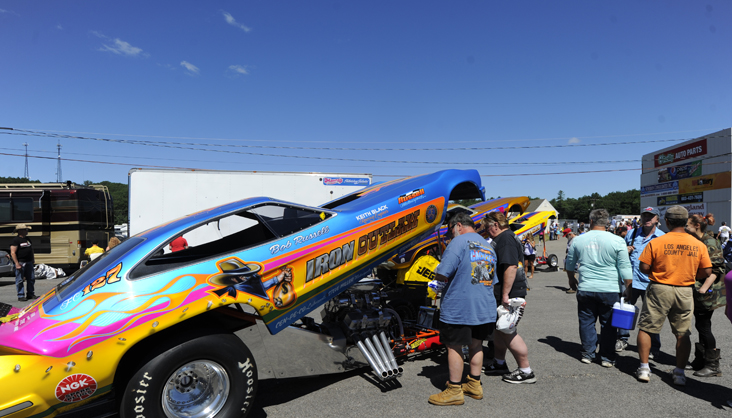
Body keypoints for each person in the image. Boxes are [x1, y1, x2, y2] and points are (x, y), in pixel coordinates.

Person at [635, 205, 712, 385]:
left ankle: (644, 368)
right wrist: (690, 274)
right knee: (682, 332)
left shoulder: (657, 241)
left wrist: (659, 271)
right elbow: (707, 271)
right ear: (685, 222)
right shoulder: (698, 244)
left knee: (646, 328)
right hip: (684, 289)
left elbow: (644, 267)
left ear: (667, 222)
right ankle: (679, 373)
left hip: (659, 288)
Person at [427, 213, 497, 405]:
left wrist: (435, 282)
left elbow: (443, 272)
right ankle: (474, 384)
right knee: (476, 345)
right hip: (484, 305)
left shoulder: (458, 242)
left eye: (450, 231)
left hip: (460, 306)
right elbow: (492, 279)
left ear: (458, 225)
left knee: (454, 346)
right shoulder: (487, 246)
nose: (450, 235)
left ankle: (454, 390)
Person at [566, 209, 632, 367]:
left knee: (586, 321)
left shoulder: (578, 240)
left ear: (591, 221)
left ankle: (588, 353)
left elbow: (569, 263)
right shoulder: (617, 240)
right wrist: (628, 287)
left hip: (586, 286)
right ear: (607, 222)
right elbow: (624, 266)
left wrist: (571, 279)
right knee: (608, 324)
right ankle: (607, 357)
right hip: (609, 288)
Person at [483, 211, 536, 384]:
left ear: (495, 225)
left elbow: (511, 266)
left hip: (510, 293)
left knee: (508, 330)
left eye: (487, 227)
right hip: (506, 291)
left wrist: (505, 294)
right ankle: (499, 363)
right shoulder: (506, 237)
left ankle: (526, 370)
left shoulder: (505, 238)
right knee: (500, 329)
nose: (486, 230)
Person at [615, 207, 664, 356]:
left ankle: (653, 346)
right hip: (630, 280)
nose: (647, 219)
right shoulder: (632, 233)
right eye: (644, 216)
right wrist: (626, 250)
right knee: (624, 309)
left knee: (652, 314)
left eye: (650, 216)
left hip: (650, 281)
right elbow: (621, 253)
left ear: (657, 219)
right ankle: (622, 338)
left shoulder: (662, 237)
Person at [685, 213, 726, 377]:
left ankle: (713, 365)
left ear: (697, 225)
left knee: (704, 326)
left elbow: (717, 268)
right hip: (698, 290)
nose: (685, 227)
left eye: (687, 225)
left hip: (706, 292)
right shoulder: (697, 240)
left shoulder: (709, 242)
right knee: (700, 325)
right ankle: (701, 360)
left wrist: (704, 288)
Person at [10, 224, 36, 302]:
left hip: (29, 262)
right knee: (20, 280)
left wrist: (32, 259)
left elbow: (31, 249)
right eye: (25, 230)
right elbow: (13, 253)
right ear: (20, 231)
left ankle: (30, 294)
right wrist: (17, 263)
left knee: (31, 278)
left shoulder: (27, 239)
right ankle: (21, 295)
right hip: (20, 262)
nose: (27, 231)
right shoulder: (15, 240)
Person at [563, 228, 577, 293]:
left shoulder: (575, 240)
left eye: (566, 236)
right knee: (571, 274)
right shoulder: (570, 239)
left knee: (570, 274)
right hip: (569, 257)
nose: (566, 237)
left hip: (573, 258)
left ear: (570, 234)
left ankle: (573, 287)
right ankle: (575, 286)